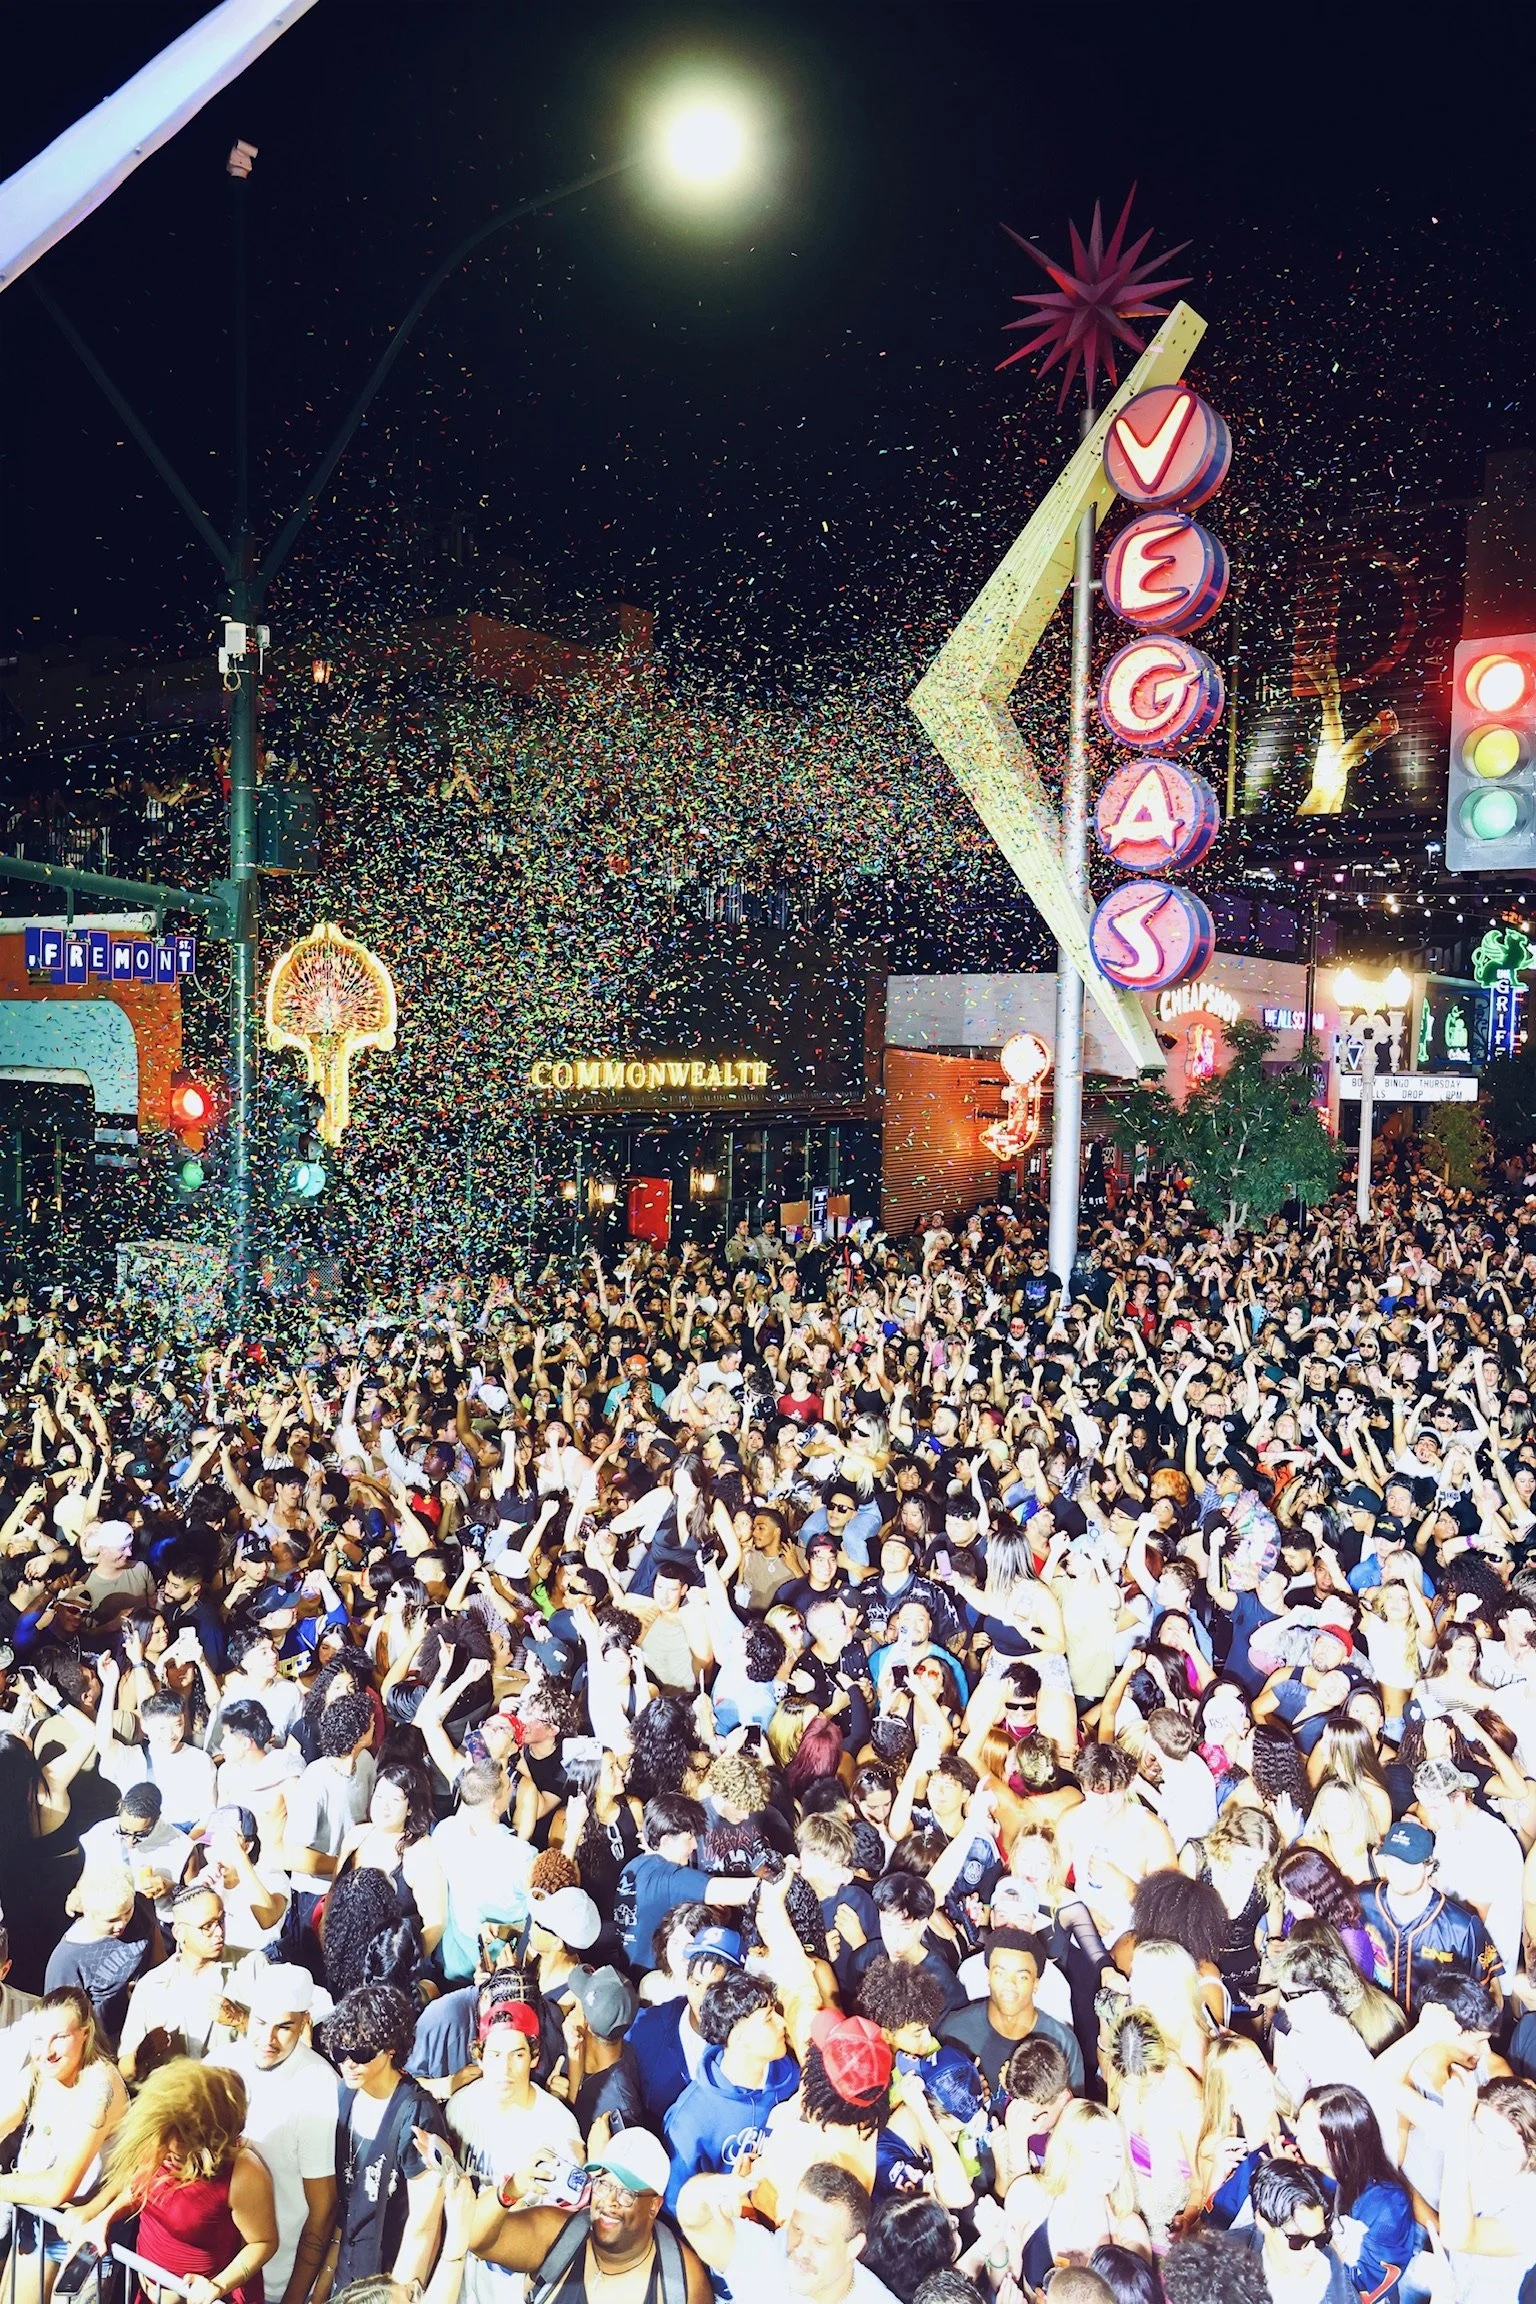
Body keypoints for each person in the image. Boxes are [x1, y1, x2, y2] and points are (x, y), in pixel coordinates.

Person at [64, 2057, 278, 2304]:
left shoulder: (244, 2172)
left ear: (211, 2139)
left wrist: (217, 2285)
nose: (165, 2156)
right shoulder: (159, 2138)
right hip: (147, 2291)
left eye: (179, 2152)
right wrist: (103, 2218)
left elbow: (263, 2242)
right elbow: (140, 2188)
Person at [464, 2127, 713, 2302]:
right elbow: (476, 2239)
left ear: (654, 2206)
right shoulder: (559, 2236)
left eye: (627, 2193)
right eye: (603, 2184)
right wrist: (511, 2190)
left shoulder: (680, 2285)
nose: (609, 2201)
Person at [214, 1963, 340, 2304]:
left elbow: (323, 2207)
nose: (268, 2039)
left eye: (284, 2027)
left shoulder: (319, 2085)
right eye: (260, 2022)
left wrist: (294, 2296)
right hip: (212, 2274)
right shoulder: (219, 2064)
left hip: (276, 2281)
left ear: (304, 2023)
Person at [0, 1987, 129, 2299]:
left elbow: (60, 2187)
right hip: (40, 2220)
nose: (47, 2051)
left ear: (84, 2034)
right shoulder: (41, 2069)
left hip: (86, 2232)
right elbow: (6, 2116)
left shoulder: (99, 2083)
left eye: (59, 2037)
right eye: (38, 2039)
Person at [322, 1984, 448, 2291]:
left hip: (389, 2276)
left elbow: (425, 2225)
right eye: (340, 2051)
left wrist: (397, 2295)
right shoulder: (345, 2094)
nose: (348, 2063)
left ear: (392, 2048)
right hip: (346, 2273)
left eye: (361, 2052)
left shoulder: (417, 2114)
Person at [680, 2158, 902, 2303]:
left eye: (819, 2241)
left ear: (853, 2247)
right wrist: (707, 2189)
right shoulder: (766, 2257)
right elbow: (695, 2221)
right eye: (797, 2229)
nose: (801, 2250)